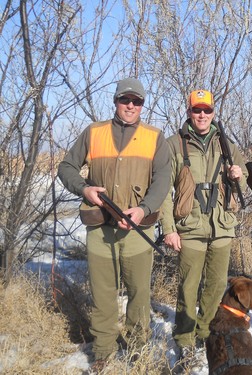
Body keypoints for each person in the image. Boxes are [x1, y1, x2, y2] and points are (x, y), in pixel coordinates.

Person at [58, 78, 171, 371]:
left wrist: (143, 208)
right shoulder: (94, 132)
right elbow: (67, 167)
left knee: (138, 295)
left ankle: (136, 348)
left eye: (137, 101)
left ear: (142, 105)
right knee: (102, 293)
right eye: (125, 100)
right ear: (116, 101)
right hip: (99, 229)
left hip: (138, 230)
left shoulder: (154, 137)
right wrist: (83, 189)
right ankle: (103, 350)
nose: (130, 106)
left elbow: (162, 180)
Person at [160, 90, 247, 363]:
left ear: (213, 113)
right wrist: (168, 228)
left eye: (207, 110)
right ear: (188, 112)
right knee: (188, 286)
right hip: (188, 228)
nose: (202, 115)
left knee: (216, 285)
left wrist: (238, 176)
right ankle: (184, 339)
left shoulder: (227, 146)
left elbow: (241, 187)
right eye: (197, 110)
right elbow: (162, 191)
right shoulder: (174, 145)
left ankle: (205, 332)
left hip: (221, 226)